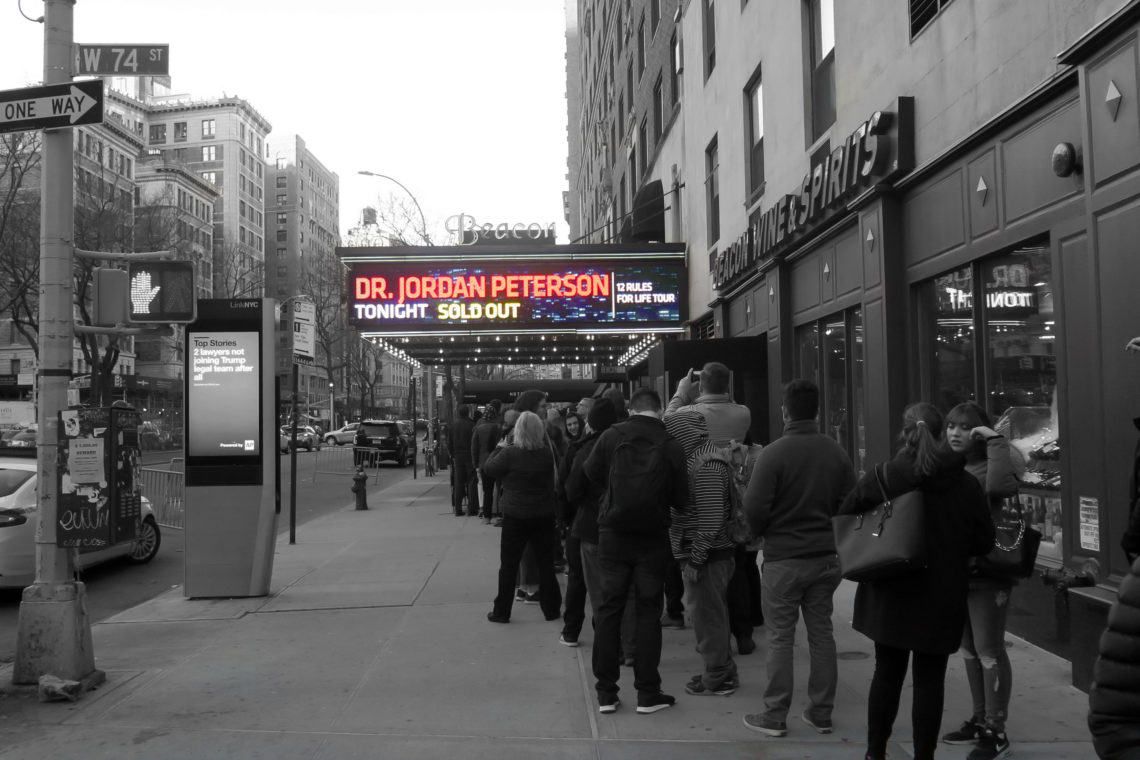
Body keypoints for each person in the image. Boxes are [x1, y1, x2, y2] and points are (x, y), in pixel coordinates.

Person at [835, 402, 995, 760]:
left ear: (904, 433)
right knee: (930, 678)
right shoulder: (965, 483)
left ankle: (875, 752)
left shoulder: (884, 476)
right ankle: (925, 755)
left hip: (889, 591)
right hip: (941, 595)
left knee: (887, 673)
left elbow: (846, 513)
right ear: (940, 435)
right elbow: (984, 542)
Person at [740, 379, 855, 737]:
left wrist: (760, 532)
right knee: (822, 634)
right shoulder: (836, 452)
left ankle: (775, 715)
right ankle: (820, 711)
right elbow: (850, 503)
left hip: (784, 559)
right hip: (825, 557)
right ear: (817, 411)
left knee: (780, 638)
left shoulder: (773, 454)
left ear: (785, 411)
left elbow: (754, 508)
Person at [584, 388, 686, 715]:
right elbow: (682, 499)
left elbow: (589, 473)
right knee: (648, 612)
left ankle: (606, 693)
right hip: (653, 537)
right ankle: (648, 692)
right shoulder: (670, 444)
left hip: (613, 534)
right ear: (659, 410)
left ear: (631, 408)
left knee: (609, 610)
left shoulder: (612, 436)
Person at [940, 401, 1024, 760]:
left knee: (990, 650)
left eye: (964, 427)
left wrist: (995, 439)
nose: (955, 432)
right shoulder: (952, 467)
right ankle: (979, 718)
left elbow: (1001, 487)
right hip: (959, 571)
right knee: (970, 650)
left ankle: (996, 730)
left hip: (989, 572)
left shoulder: (994, 463)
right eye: (950, 426)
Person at [665, 361, 760, 653]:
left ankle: (714, 642)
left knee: (709, 577)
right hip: (737, 493)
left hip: (702, 492)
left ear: (701, 386)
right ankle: (744, 634)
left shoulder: (688, 413)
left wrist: (683, 391)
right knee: (740, 566)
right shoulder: (743, 412)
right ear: (728, 386)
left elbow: (667, 418)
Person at [665, 410, 739, 696]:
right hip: (707, 553)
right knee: (711, 616)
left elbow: (711, 519)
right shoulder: (699, 457)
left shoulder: (706, 465)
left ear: (684, 434)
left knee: (707, 618)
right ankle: (720, 669)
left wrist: (696, 559)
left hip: (708, 556)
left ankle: (717, 675)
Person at [483, 411, 563, 624]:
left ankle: (502, 611)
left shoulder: (510, 454)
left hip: (515, 515)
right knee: (545, 563)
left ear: (517, 430)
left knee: (508, 565)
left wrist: (500, 446)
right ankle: (551, 608)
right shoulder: (546, 454)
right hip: (542, 514)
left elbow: (489, 468)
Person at [558, 399, 617, 647]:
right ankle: (614, 637)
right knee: (613, 584)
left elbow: (568, 488)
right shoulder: (623, 444)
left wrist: (565, 519)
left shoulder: (583, 449)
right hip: (616, 523)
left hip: (585, 523)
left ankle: (572, 630)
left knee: (579, 580)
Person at [472, 402, 502, 524]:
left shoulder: (478, 429)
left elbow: (474, 448)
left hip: (484, 463)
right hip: (499, 461)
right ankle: (500, 513)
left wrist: (476, 465)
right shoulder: (499, 427)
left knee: (487, 491)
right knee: (500, 488)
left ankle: (487, 516)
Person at [449, 405, 478, 517]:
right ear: (468, 413)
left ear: (458, 413)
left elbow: (449, 443)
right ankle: (472, 509)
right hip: (469, 455)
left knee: (458, 483)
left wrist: (453, 455)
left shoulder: (453, 426)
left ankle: (458, 509)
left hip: (458, 456)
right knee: (472, 482)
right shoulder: (472, 425)